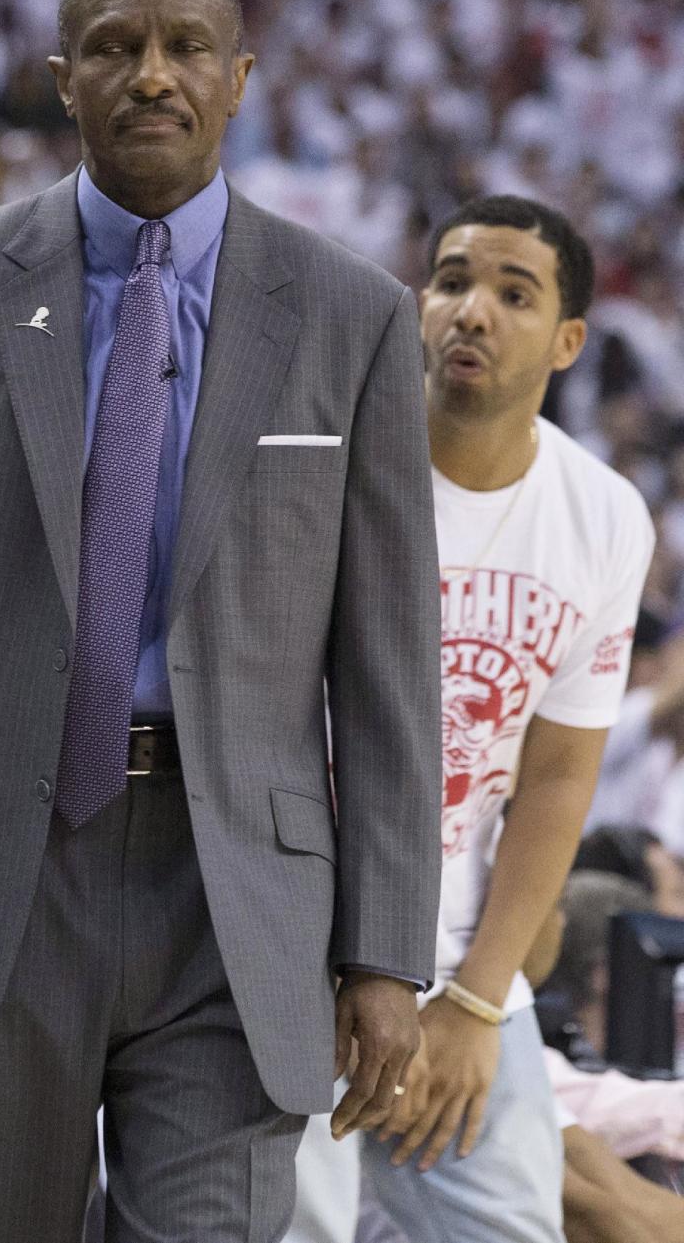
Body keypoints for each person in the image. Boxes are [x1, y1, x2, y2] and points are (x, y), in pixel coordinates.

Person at [0, 0, 443, 1243]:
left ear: (239, 79)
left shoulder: (354, 317)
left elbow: (389, 669)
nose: (152, 76)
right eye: (115, 47)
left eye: (186, 46)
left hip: (233, 897)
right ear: (59, 76)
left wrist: (385, 951)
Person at [287, 196, 655, 1243]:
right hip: (283, 949)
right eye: (451, 282)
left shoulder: (603, 516)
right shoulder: (327, 460)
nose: (472, 311)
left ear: (569, 340)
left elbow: (554, 779)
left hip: (459, 969)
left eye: (513, 292)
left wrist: (480, 1002)